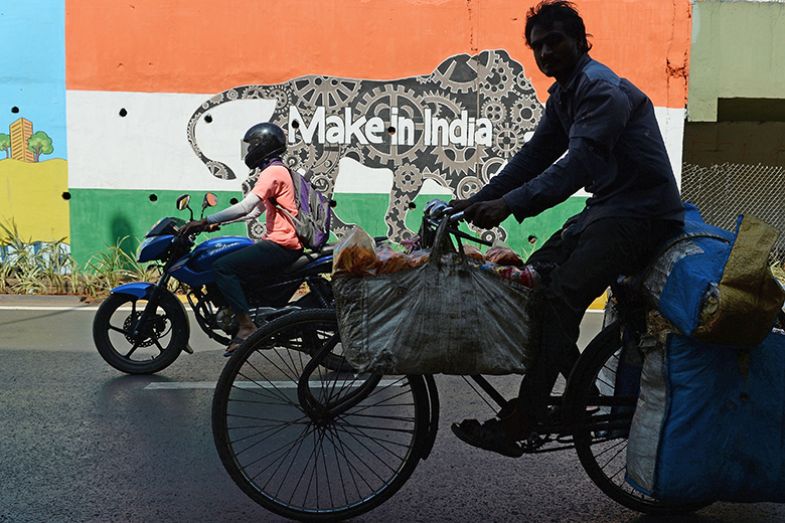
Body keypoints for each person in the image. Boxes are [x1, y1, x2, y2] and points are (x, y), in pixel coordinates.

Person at [449, 0, 684, 457]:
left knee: (563, 294)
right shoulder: (564, 95)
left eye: (554, 41)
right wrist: (477, 199)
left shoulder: (600, 90)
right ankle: (583, 392)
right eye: (537, 46)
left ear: (580, 40)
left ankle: (526, 416)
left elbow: (578, 165)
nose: (545, 53)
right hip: (609, 209)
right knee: (536, 280)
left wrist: (508, 204)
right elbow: (535, 156)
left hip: (641, 214)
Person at [180, 122, 303, 356]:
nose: (248, 152)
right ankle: (249, 310)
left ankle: (246, 326)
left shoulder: (273, 172)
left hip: (282, 244)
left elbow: (246, 206)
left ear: (262, 146)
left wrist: (204, 221)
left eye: (251, 146)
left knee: (223, 267)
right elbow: (256, 210)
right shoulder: (278, 170)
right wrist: (218, 223)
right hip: (282, 242)